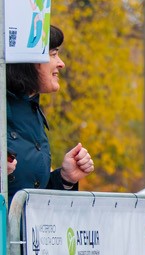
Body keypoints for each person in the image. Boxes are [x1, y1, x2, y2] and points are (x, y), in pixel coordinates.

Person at [6, 26, 93, 199]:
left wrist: (65, 179)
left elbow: (34, 198)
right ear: (28, 62)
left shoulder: (33, 111)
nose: (61, 63)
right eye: (53, 55)